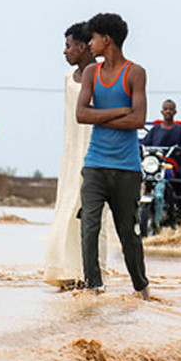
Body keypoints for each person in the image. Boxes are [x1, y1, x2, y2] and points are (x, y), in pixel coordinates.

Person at [75, 13, 150, 299]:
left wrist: (99, 116)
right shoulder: (91, 73)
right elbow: (81, 114)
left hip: (127, 168)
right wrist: (120, 111)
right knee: (89, 226)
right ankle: (93, 288)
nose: (89, 43)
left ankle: (141, 290)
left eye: (92, 38)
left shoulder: (135, 73)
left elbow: (139, 119)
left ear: (106, 40)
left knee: (128, 233)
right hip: (94, 164)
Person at [44, 22, 109, 289]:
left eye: (68, 46)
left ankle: (92, 275)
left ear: (83, 47)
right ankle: (67, 272)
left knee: (91, 216)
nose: (64, 52)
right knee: (65, 213)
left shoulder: (105, 76)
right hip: (71, 153)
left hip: (97, 153)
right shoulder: (69, 77)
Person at [142, 100, 181, 183]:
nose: (168, 111)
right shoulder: (155, 129)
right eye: (165, 109)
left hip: (173, 162)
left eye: (170, 109)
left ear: (175, 112)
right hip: (155, 162)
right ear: (162, 112)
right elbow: (145, 143)